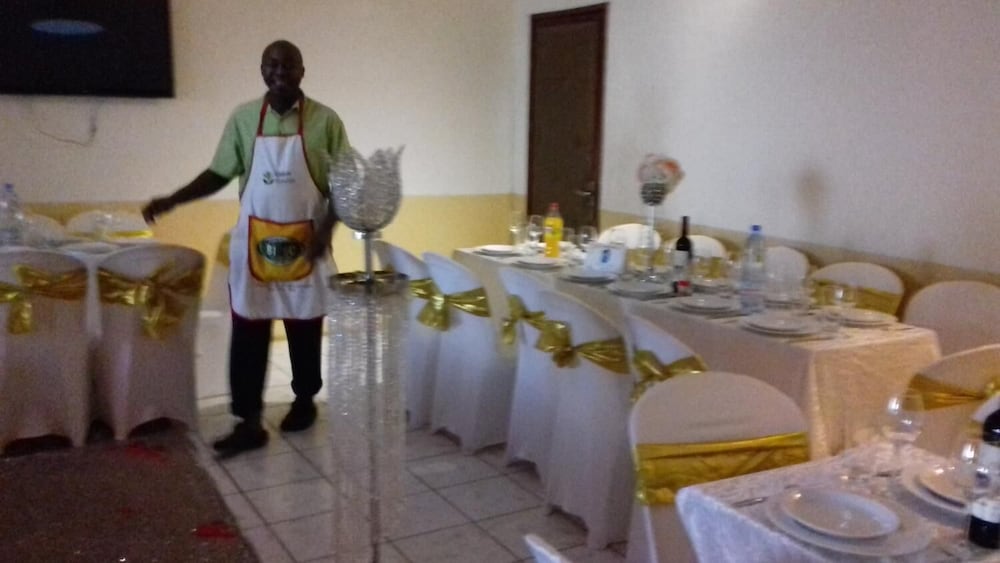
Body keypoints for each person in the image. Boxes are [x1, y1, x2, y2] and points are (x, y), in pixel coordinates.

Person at [143, 39, 349, 456]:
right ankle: (248, 420)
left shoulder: (325, 121)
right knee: (249, 330)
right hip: (255, 241)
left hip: (307, 243)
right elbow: (219, 173)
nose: (279, 72)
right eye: (271, 65)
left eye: (288, 65)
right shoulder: (243, 118)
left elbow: (347, 184)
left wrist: (326, 231)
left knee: (304, 326)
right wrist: (173, 199)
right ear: (261, 70)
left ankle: (305, 400)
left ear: (302, 71)